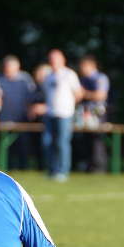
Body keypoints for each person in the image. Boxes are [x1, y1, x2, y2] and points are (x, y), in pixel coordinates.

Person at [42, 49, 83, 181]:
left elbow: (78, 93)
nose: (53, 62)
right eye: (51, 59)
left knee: (62, 143)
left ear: (62, 60)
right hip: (50, 114)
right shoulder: (48, 76)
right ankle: (52, 170)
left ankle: (63, 171)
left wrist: (68, 106)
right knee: (48, 142)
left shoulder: (69, 74)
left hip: (64, 114)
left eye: (55, 59)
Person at [0, 55, 36, 169]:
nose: (10, 69)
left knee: (23, 144)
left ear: (18, 67)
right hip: (4, 118)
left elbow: (31, 98)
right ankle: (6, 166)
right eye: (8, 66)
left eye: (12, 67)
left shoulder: (25, 80)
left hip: (22, 118)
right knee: (5, 145)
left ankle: (23, 167)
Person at [77, 55, 110, 173]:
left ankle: (99, 167)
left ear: (91, 66)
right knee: (86, 141)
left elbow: (101, 95)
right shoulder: (83, 79)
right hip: (84, 113)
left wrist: (85, 93)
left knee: (97, 141)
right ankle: (89, 166)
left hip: (97, 114)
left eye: (83, 67)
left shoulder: (100, 78)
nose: (81, 69)